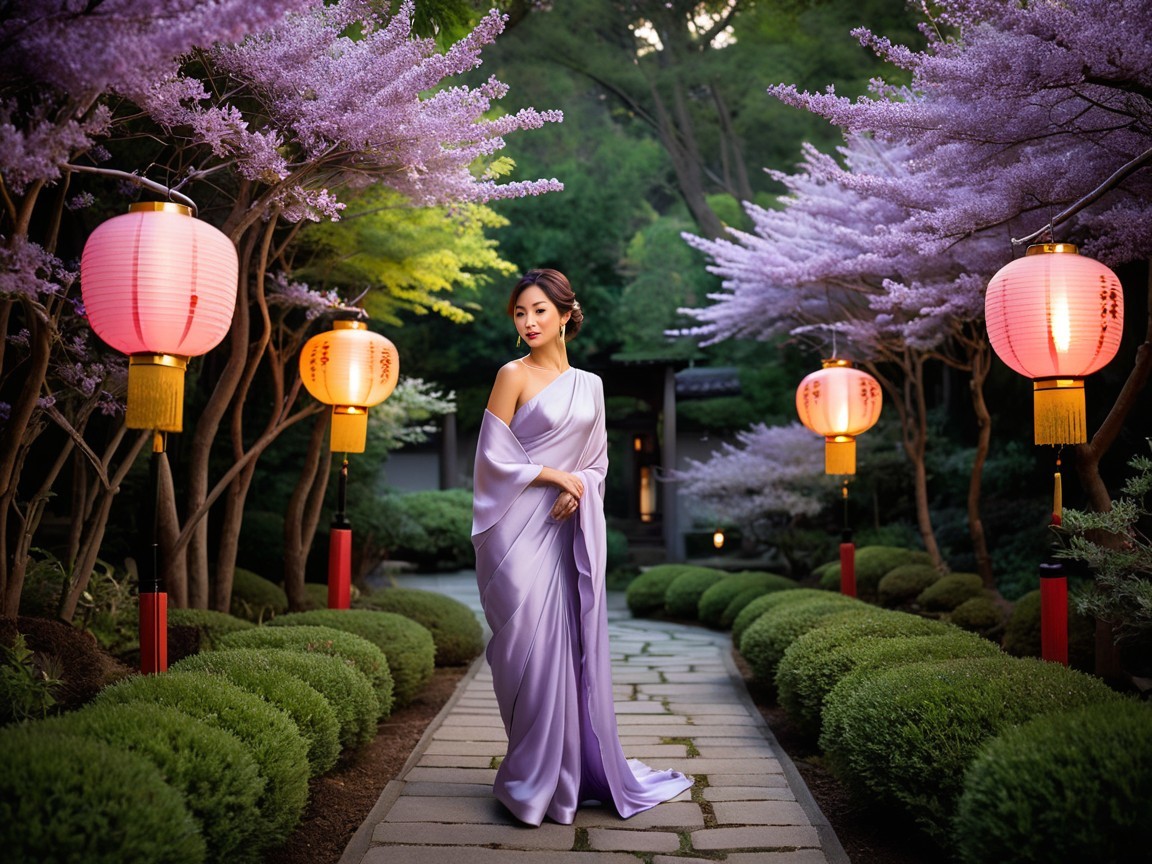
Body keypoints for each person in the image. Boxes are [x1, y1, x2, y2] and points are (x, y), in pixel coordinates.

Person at [471, 268, 693, 826]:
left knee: (563, 650)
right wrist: (553, 476)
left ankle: (567, 771)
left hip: (565, 530)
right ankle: (530, 776)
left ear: (566, 315)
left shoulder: (590, 385)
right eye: (520, 312)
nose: (529, 321)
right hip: (517, 530)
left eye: (540, 310)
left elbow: (596, 463)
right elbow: (491, 460)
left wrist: (579, 487)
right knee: (525, 648)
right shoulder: (511, 375)